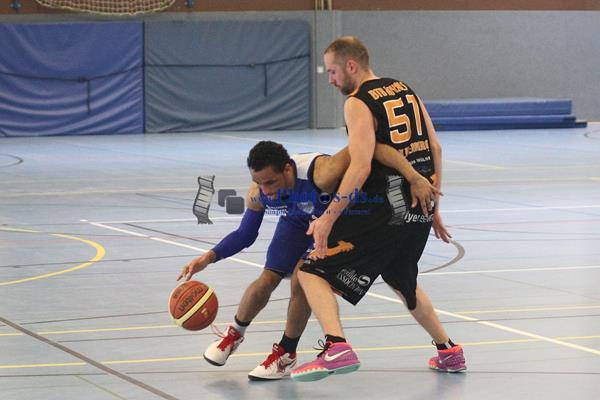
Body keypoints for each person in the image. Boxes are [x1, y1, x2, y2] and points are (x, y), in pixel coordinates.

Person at [177, 140, 439, 381]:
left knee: (302, 279)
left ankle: (286, 353)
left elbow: (368, 145)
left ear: (288, 169)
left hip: (336, 221)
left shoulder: (322, 172)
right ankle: (235, 334)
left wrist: (414, 176)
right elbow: (245, 234)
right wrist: (208, 257)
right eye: (259, 183)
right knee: (267, 278)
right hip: (298, 220)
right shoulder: (258, 192)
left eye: (271, 182)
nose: (266, 191)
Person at [290, 36, 466, 382]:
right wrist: (433, 204)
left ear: (351, 66)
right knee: (402, 279)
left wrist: (328, 217)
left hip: (386, 207)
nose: (330, 80)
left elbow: (360, 167)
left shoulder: (358, 101)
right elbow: (436, 148)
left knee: (310, 270)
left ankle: (336, 346)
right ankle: (449, 351)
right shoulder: (406, 89)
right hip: (418, 207)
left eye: (333, 71)